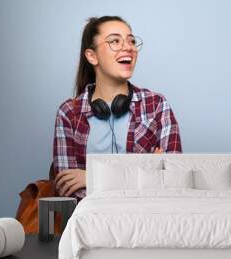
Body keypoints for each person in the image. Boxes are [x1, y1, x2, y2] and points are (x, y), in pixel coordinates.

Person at [53, 16, 182, 201]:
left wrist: (91, 177)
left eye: (131, 41)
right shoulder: (69, 113)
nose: (129, 47)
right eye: (115, 41)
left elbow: (170, 178)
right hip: (90, 223)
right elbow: (69, 189)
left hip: (147, 220)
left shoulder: (157, 106)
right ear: (92, 56)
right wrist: (145, 172)